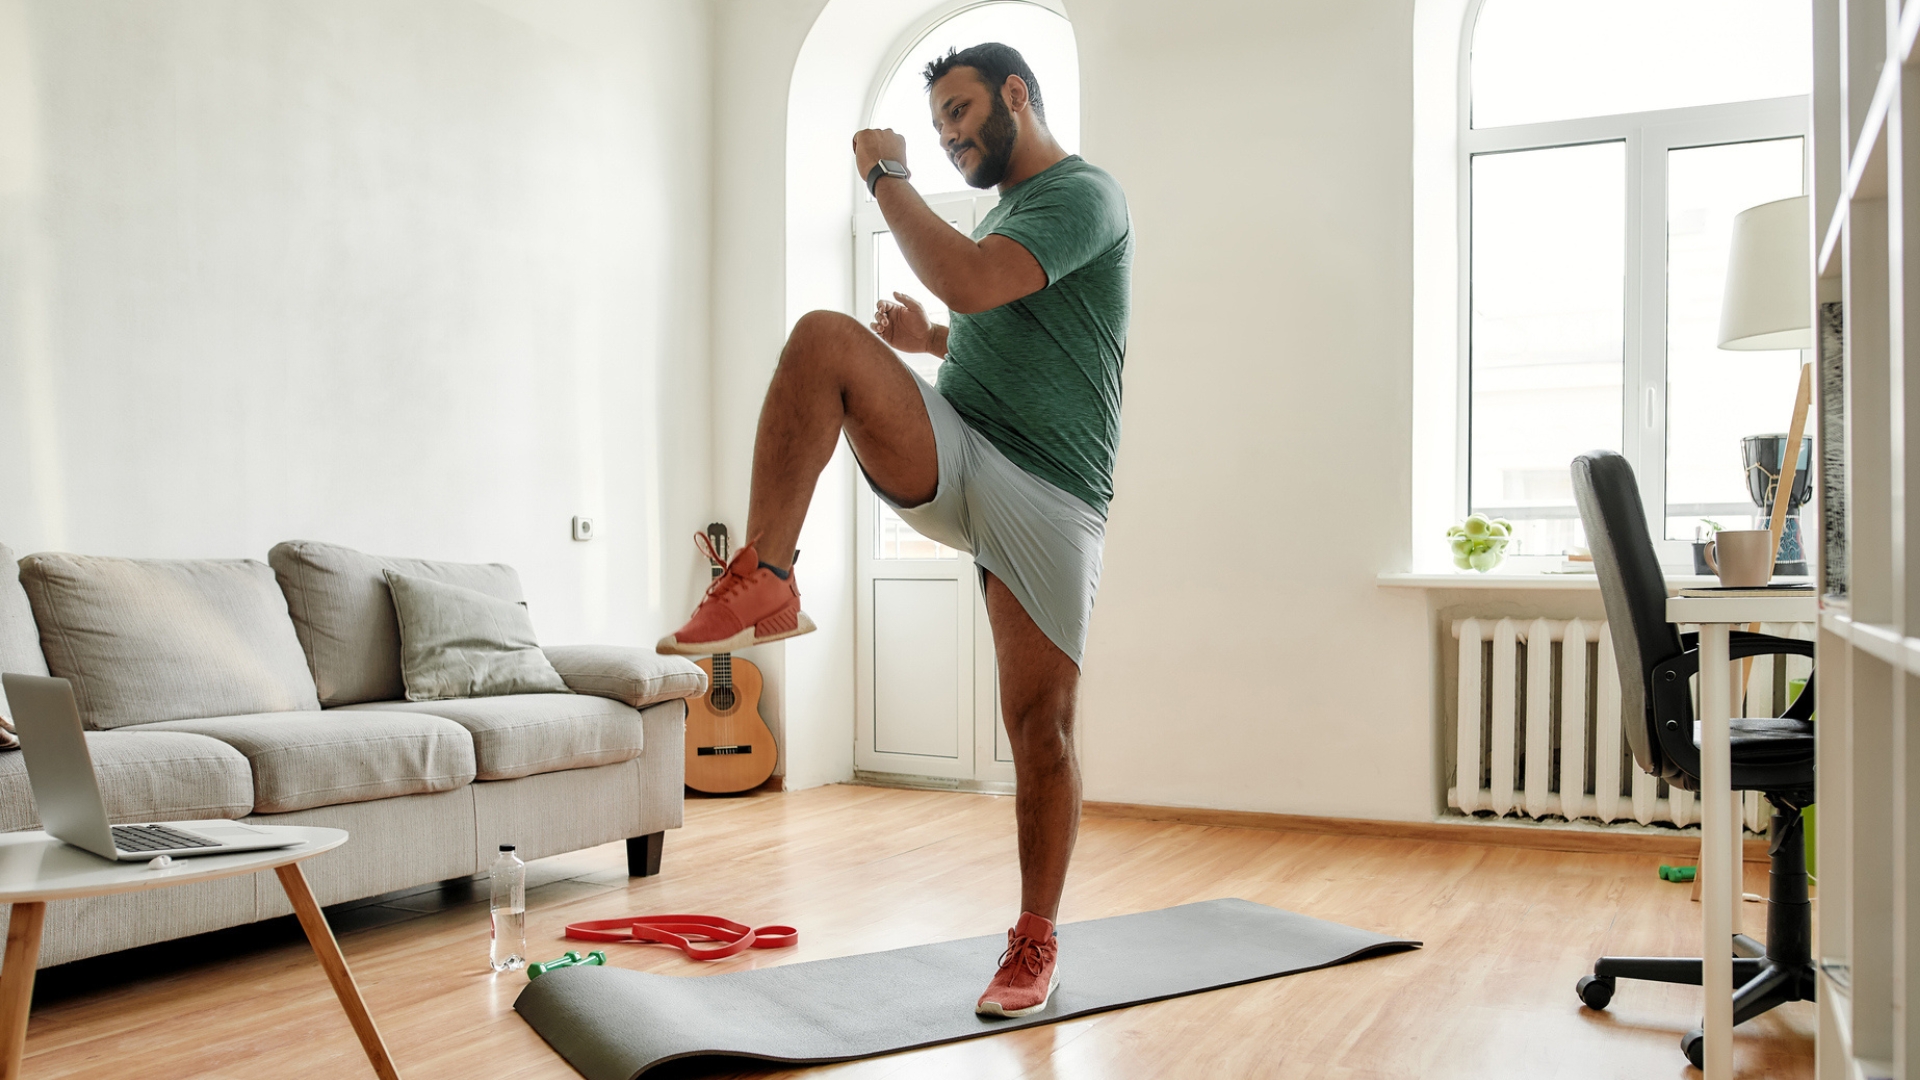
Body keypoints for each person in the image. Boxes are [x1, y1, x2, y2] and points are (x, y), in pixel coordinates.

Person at [658, 41, 1131, 1018]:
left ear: (1015, 95)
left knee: (1037, 727)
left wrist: (884, 174)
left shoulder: (1083, 196)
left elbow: (970, 278)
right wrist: (934, 346)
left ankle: (1034, 940)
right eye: (937, 125)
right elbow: (997, 318)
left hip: (1048, 493)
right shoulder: (1008, 215)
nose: (950, 138)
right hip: (960, 447)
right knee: (828, 338)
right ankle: (766, 573)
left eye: (960, 114)